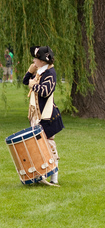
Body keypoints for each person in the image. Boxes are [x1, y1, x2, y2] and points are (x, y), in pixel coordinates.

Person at [23, 46, 64, 185]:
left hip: (47, 116)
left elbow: (45, 91)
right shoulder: (39, 71)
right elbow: (25, 81)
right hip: (36, 115)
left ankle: (54, 177)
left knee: (49, 145)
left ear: (42, 60)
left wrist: (33, 85)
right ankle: (40, 174)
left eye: (36, 58)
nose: (33, 60)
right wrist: (30, 72)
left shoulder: (50, 73)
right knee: (37, 145)